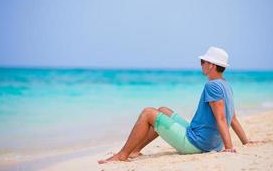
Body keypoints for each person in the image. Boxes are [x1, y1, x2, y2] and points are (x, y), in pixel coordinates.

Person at [98, 46, 256, 164]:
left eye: (203, 62)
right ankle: (135, 150)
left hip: (197, 143)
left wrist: (229, 148)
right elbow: (233, 118)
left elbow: (222, 118)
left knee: (148, 113)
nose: (201, 65)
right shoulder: (225, 85)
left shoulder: (212, 86)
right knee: (162, 110)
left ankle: (122, 155)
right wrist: (245, 142)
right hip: (207, 140)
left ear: (212, 65)